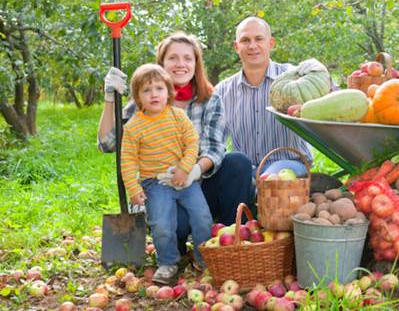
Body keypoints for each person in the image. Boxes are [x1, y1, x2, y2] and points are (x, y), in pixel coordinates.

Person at [98, 32, 254, 259]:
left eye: (187, 58)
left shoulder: (210, 99)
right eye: (173, 58)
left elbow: (215, 148)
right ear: (161, 64)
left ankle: (228, 246)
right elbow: (107, 144)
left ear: (196, 64)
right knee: (174, 223)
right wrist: (110, 99)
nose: (181, 64)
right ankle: (174, 246)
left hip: (200, 188)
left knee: (238, 162)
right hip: (162, 191)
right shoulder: (144, 104)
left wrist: (193, 171)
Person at [120, 64, 212, 284]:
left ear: (169, 92)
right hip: (155, 183)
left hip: (184, 180)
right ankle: (168, 262)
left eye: (159, 89)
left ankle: (205, 260)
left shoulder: (178, 116)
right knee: (162, 223)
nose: (154, 94)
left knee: (202, 217)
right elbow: (128, 160)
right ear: (137, 97)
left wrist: (185, 168)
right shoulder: (134, 127)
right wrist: (133, 188)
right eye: (146, 90)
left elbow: (192, 143)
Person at [215, 17, 325, 177]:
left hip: (289, 164)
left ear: (271, 43)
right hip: (246, 170)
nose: (252, 46)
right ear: (236, 46)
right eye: (245, 40)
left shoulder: (296, 78)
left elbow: (326, 89)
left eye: (259, 39)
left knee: (270, 180)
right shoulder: (223, 91)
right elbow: (216, 141)